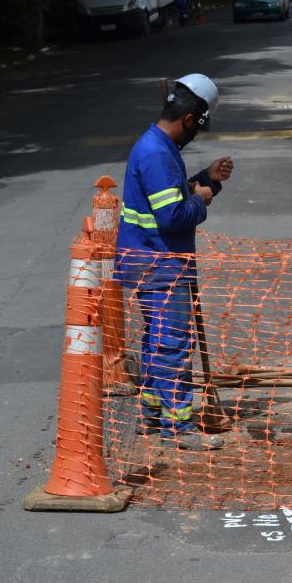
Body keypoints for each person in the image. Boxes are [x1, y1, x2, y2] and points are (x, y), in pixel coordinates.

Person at [115, 73, 234, 451]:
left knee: (156, 342)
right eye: (196, 130)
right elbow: (172, 217)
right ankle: (178, 427)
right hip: (160, 263)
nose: (194, 136)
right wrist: (202, 201)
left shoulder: (156, 148)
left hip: (147, 260)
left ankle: (152, 416)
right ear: (188, 120)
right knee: (173, 344)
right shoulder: (157, 155)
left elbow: (168, 198)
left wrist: (206, 181)